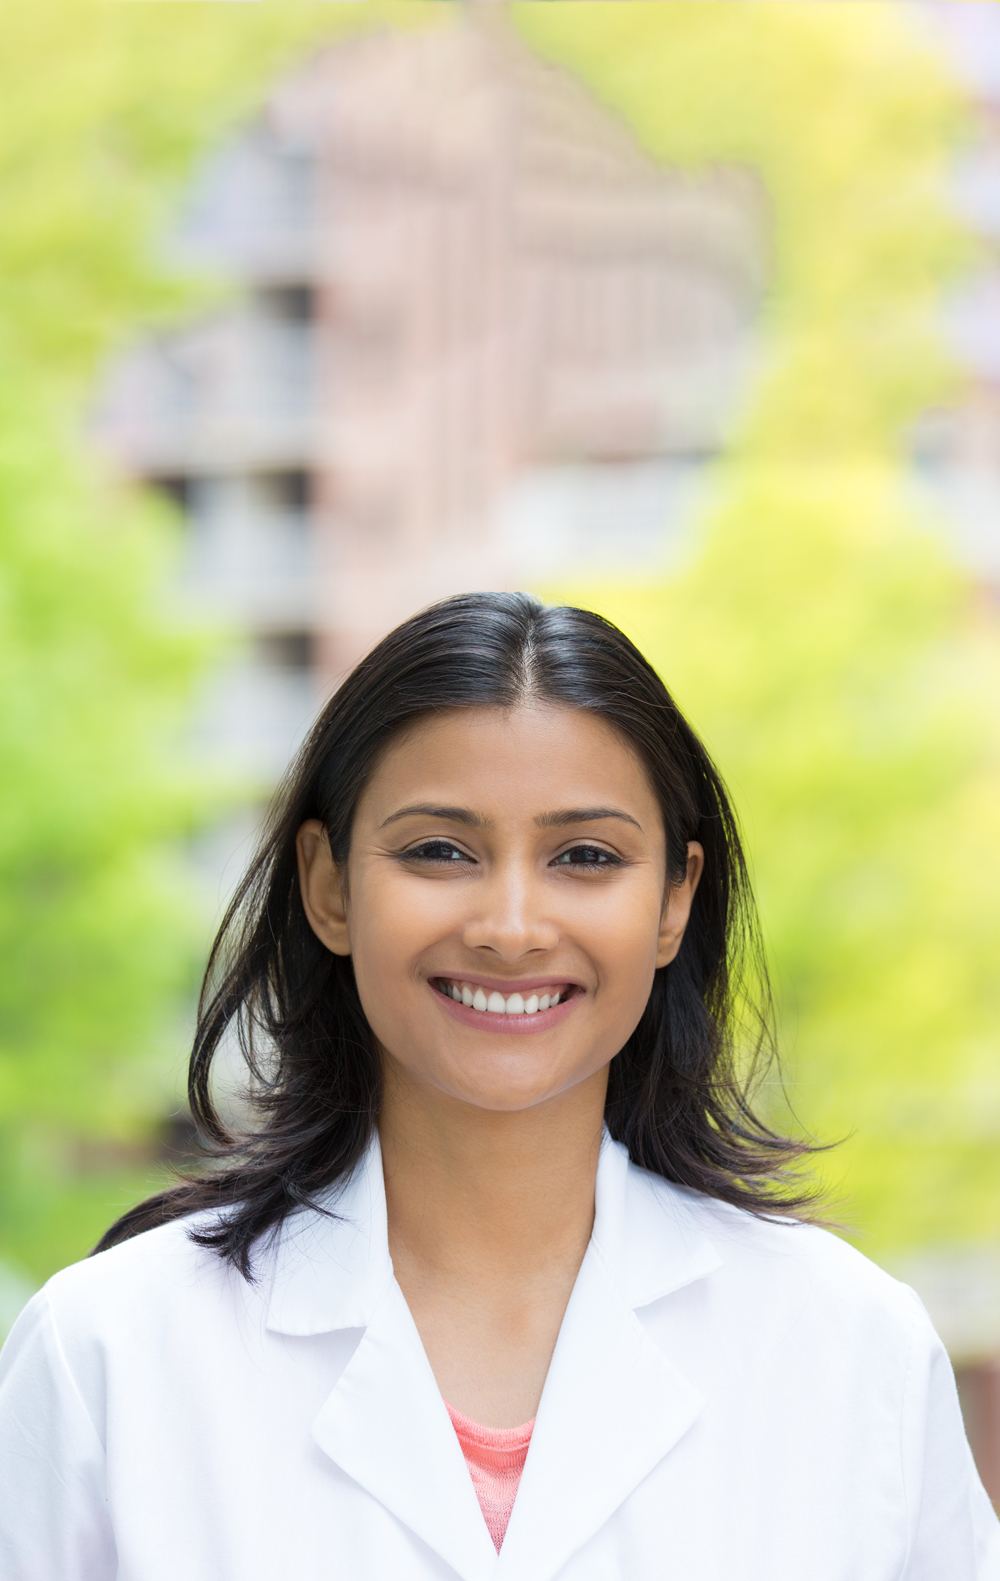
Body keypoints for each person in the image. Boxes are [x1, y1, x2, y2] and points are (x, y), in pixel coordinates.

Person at [0, 592, 996, 1579]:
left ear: (672, 903)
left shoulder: (850, 1354)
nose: (510, 927)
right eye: (440, 850)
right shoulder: (110, 1357)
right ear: (328, 884)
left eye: (585, 857)